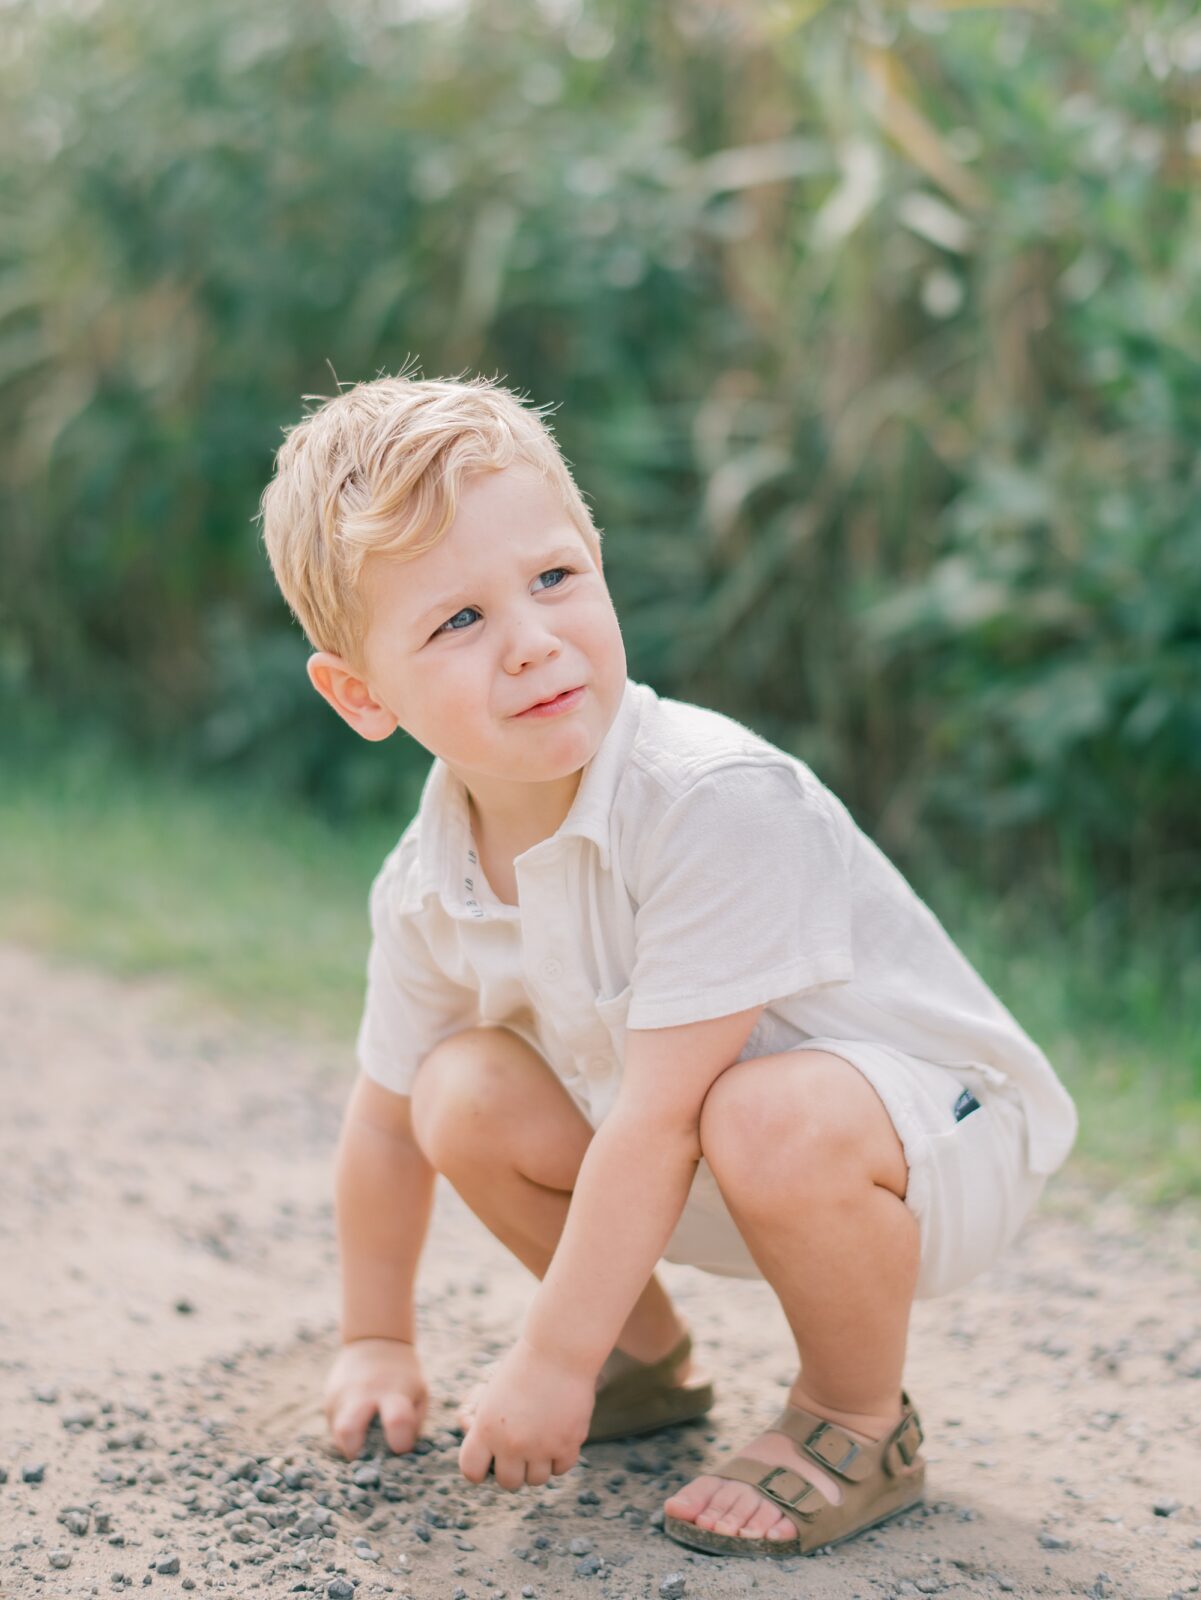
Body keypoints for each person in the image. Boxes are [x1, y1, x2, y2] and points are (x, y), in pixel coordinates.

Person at [257, 370, 1077, 1558]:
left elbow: (661, 1119)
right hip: (703, 1155)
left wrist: (544, 1356)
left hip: (919, 1145)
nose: (534, 643)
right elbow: (386, 1125)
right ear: (359, 693)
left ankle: (854, 1418)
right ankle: (638, 1362)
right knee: (455, 1086)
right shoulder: (430, 875)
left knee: (761, 1109)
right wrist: (375, 1338)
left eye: (553, 579)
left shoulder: (708, 798)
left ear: (596, 554)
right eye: (458, 621)